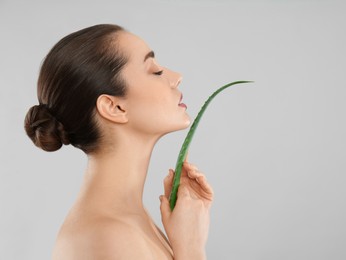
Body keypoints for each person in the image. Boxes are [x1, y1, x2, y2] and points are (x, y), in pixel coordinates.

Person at [24, 24, 214, 260]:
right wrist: (192, 248)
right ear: (114, 107)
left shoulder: (130, 220)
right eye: (155, 71)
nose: (176, 77)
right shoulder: (106, 235)